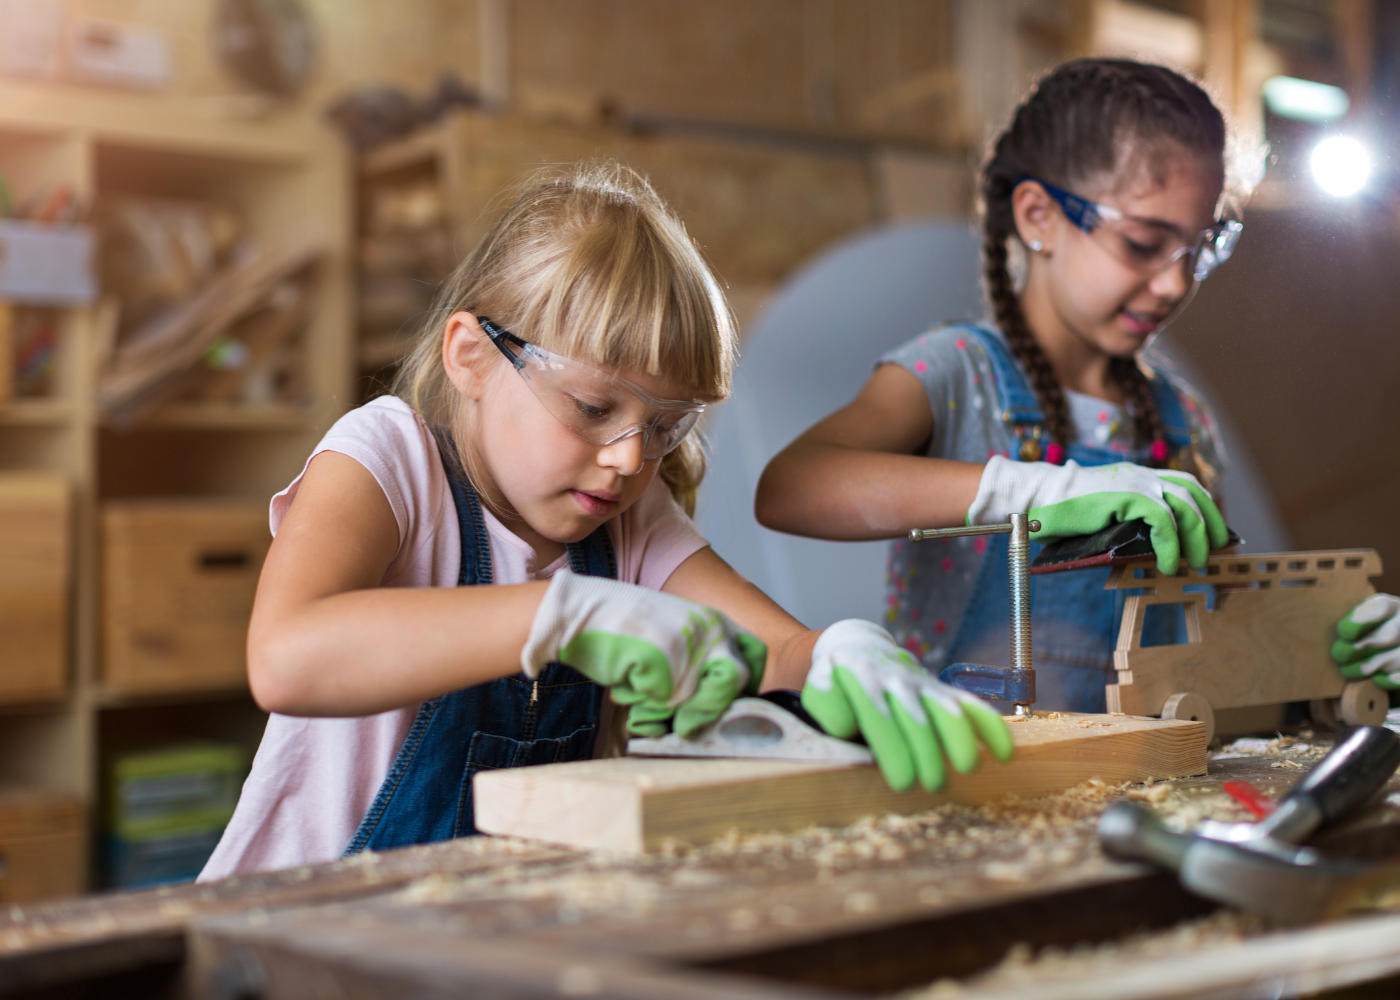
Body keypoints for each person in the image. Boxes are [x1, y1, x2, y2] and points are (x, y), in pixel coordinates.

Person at [199, 162, 1011, 881]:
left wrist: (840, 653)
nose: (629, 458)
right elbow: (286, 656)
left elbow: (776, 650)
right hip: (284, 939)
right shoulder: (390, 459)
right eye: (594, 407)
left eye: (665, 427)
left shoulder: (628, 524)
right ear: (472, 357)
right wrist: (564, 615)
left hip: (473, 947)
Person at [755, 59, 1239, 713]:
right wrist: (1034, 489)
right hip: (974, 771)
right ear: (1039, 216)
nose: (1175, 284)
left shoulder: (1183, 420)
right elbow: (790, 489)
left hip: (1148, 777)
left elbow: (1215, 614)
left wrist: (1327, 638)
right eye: (1145, 243)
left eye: (1200, 247)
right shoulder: (957, 372)